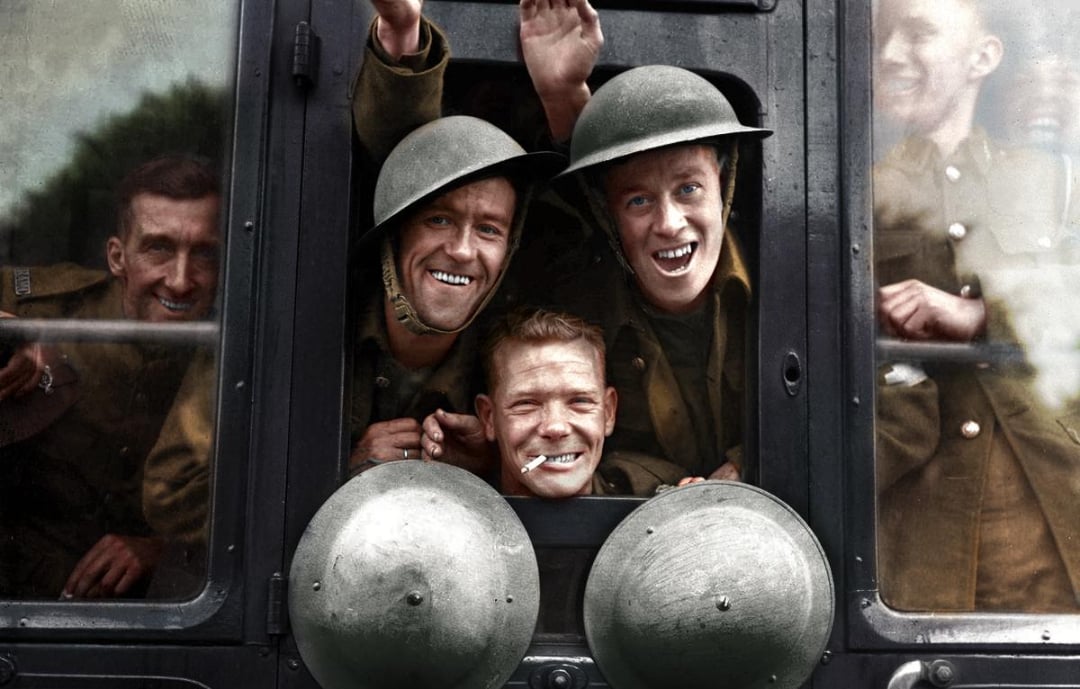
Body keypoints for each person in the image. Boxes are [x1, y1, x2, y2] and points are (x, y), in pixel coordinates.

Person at [872, 0, 1080, 611]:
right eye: (883, 37)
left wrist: (985, 314)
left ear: (983, 57)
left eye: (918, 33)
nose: (890, 54)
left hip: (1053, 521)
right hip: (919, 537)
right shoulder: (860, 187)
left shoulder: (1055, 181)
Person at [346, 0, 563, 478]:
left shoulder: (515, 357)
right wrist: (343, 466)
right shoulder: (313, 324)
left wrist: (495, 473)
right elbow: (187, 486)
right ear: (397, 233)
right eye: (439, 220)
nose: (463, 250)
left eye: (488, 229)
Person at [0, 154, 220, 599]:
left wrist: (166, 550)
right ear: (118, 257)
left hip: (160, 611)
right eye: (159, 248)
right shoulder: (47, 306)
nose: (180, 281)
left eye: (203, 254)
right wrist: (10, 331)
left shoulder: (233, 354)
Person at [476, 307, 688, 498]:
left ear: (608, 412)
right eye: (526, 404)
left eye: (579, 401)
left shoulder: (663, 495)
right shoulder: (462, 508)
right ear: (489, 418)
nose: (556, 427)